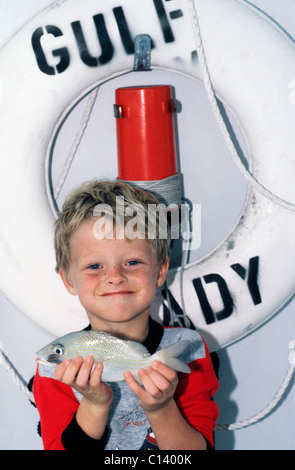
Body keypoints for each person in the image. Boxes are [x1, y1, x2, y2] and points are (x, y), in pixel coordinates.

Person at [33, 180, 219, 450]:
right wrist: (94, 404)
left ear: (160, 271)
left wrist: (161, 407)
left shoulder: (189, 349)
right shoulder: (55, 369)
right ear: (69, 280)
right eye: (95, 266)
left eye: (132, 262)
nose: (115, 277)